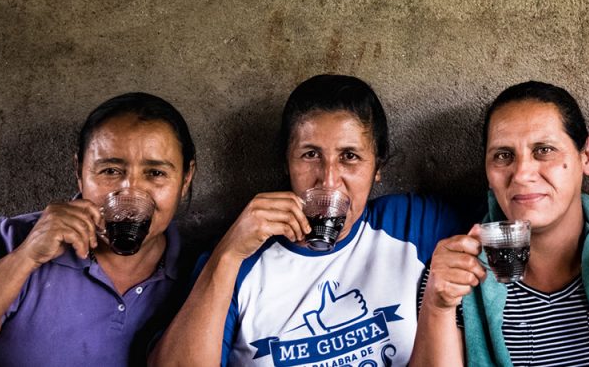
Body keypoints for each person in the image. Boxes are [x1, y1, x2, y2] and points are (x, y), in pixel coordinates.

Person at [152, 74, 468, 366]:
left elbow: (501, 227)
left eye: (350, 157)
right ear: (286, 163)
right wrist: (228, 255)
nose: (328, 181)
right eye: (310, 155)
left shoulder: (413, 224)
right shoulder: (239, 259)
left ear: (377, 167)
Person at [0, 92, 198, 366]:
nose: (130, 192)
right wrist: (25, 259)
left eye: (155, 173)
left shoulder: (197, 271)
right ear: (80, 173)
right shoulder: (12, 240)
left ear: (185, 179)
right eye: (110, 171)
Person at [412, 81, 589, 367]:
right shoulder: (456, 275)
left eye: (544, 150)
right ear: (487, 171)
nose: (521, 173)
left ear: (588, 156)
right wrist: (438, 306)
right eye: (503, 155)